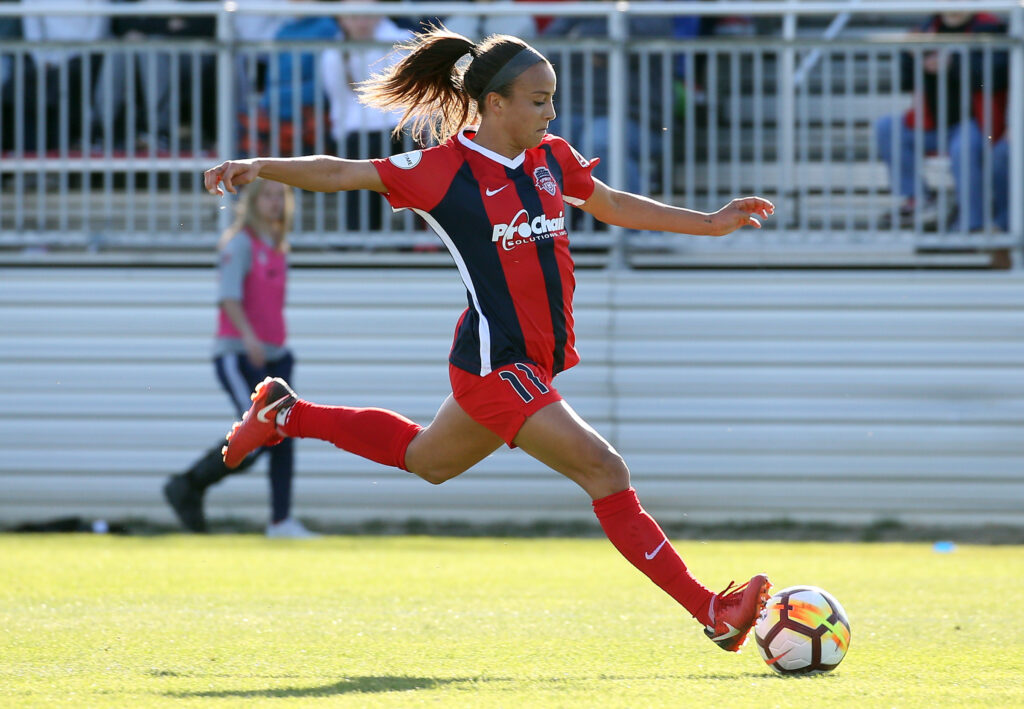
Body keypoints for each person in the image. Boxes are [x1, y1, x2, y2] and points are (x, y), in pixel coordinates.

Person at [203, 27, 775, 650]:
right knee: (605, 470)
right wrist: (262, 165)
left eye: (552, 98)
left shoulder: (552, 157)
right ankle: (711, 611)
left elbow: (610, 203)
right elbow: (344, 173)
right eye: (538, 99)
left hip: (531, 362)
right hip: (495, 363)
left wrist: (711, 222)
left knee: (428, 461)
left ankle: (285, 413)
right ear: (495, 103)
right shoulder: (442, 170)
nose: (551, 111)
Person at [163, 178, 317, 538]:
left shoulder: (279, 246)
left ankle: (281, 521)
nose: (275, 202)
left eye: (281, 195)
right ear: (252, 200)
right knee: (257, 434)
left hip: (276, 356)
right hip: (241, 354)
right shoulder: (241, 244)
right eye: (267, 195)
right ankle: (188, 484)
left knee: (284, 433)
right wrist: (249, 338)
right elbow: (229, 298)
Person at [875, 12, 1009, 231]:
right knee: (887, 128)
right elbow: (906, 82)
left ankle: (971, 223)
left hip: (981, 123)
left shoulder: (991, 28)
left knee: (963, 147)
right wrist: (911, 57)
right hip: (932, 122)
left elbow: (994, 78)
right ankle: (919, 199)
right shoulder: (925, 28)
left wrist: (953, 64)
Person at [320, 0, 410, 230]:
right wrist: (340, 135)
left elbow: (406, 97)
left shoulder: (402, 41)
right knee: (357, 159)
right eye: (354, 17)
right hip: (357, 133)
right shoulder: (332, 55)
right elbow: (339, 103)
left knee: (372, 158)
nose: (361, 22)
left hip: (399, 127)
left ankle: (370, 232)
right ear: (342, 20)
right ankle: (359, 232)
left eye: (367, 15)